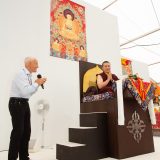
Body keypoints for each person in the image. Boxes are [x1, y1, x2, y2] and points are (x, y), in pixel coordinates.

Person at [8, 57, 47, 160]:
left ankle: (24, 157)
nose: (38, 66)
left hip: (24, 103)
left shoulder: (28, 76)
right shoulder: (21, 74)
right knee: (18, 131)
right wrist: (37, 83)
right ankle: (12, 158)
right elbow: (25, 92)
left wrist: (37, 84)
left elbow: (29, 93)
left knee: (26, 131)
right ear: (29, 64)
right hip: (17, 103)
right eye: (36, 63)